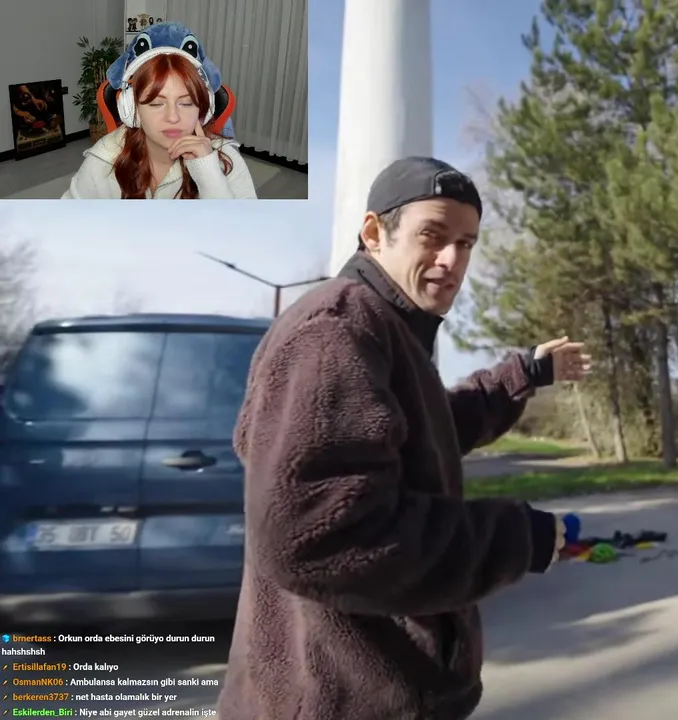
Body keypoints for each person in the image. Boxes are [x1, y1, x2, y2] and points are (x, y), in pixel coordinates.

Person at [217, 157, 590, 720]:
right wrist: (513, 538)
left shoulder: (385, 328)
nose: (451, 260)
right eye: (432, 236)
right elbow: (317, 534)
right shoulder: (338, 329)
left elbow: (427, 433)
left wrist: (525, 375)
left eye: (466, 244)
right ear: (374, 233)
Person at [63, 51, 256, 199]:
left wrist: (208, 173)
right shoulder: (104, 158)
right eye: (156, 104)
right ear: (133, 110)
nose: (173, 117)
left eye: (186, 103)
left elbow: (241, 235)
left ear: (202, 111)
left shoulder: (225, 158)